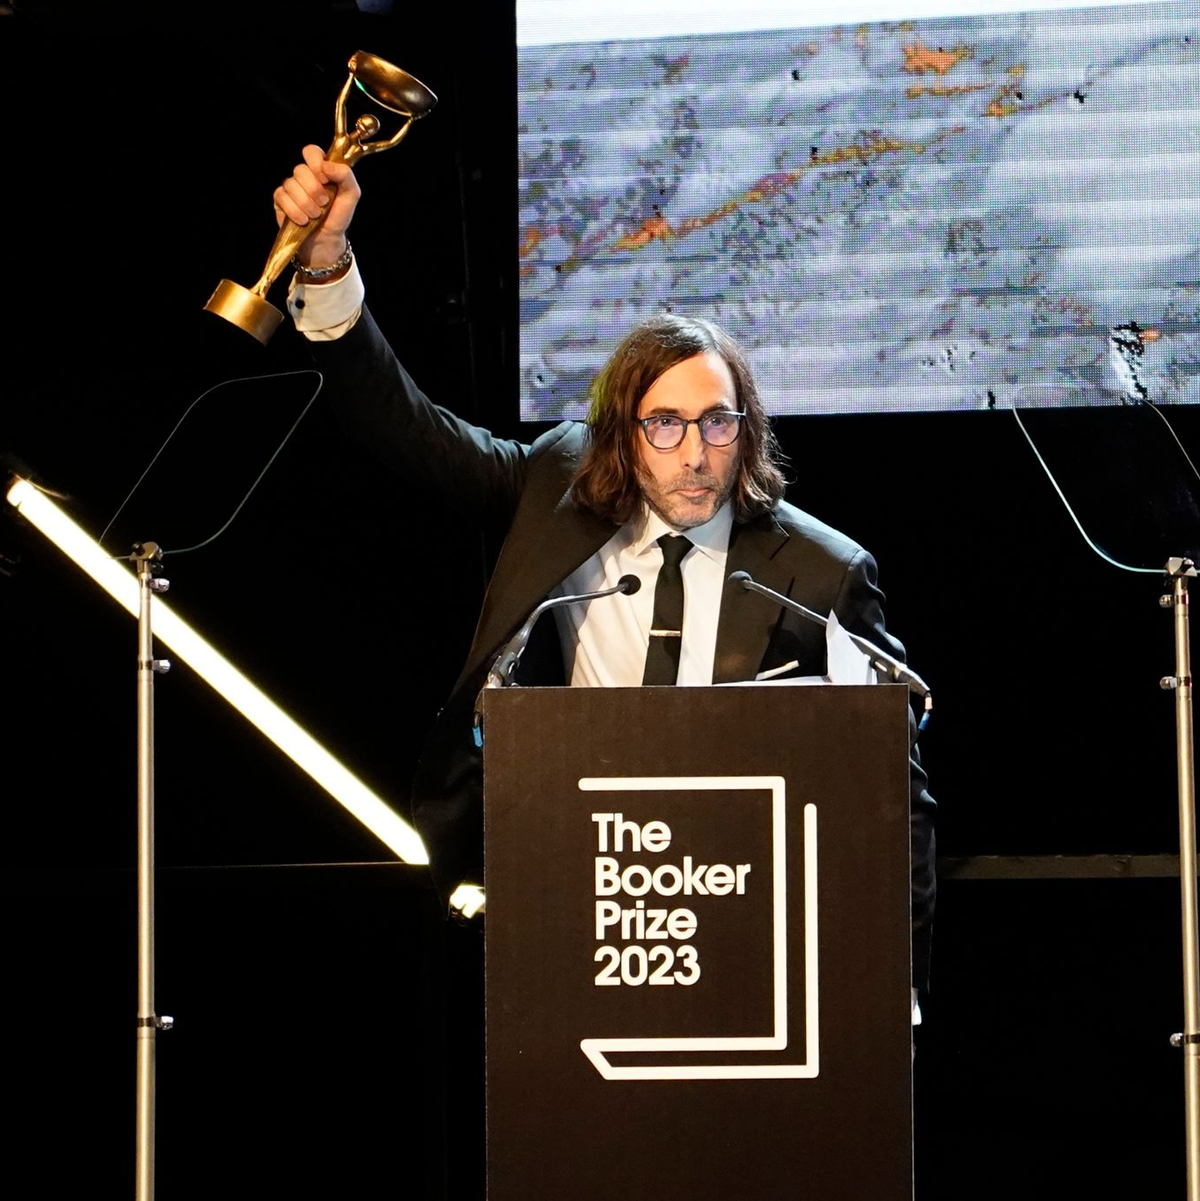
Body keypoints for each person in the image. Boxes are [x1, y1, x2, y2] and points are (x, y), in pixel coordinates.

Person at [274, 145, 936, 992]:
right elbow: (407, 427)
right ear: (622, 432)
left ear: (748, 429)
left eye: (718, 423)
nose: (696, 454)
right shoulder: (555, 488)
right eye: (665, 424)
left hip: (747, 907)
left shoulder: (820, 572)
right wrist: (324, 261)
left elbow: (897, 803)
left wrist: (895, 996)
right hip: (574, 892)